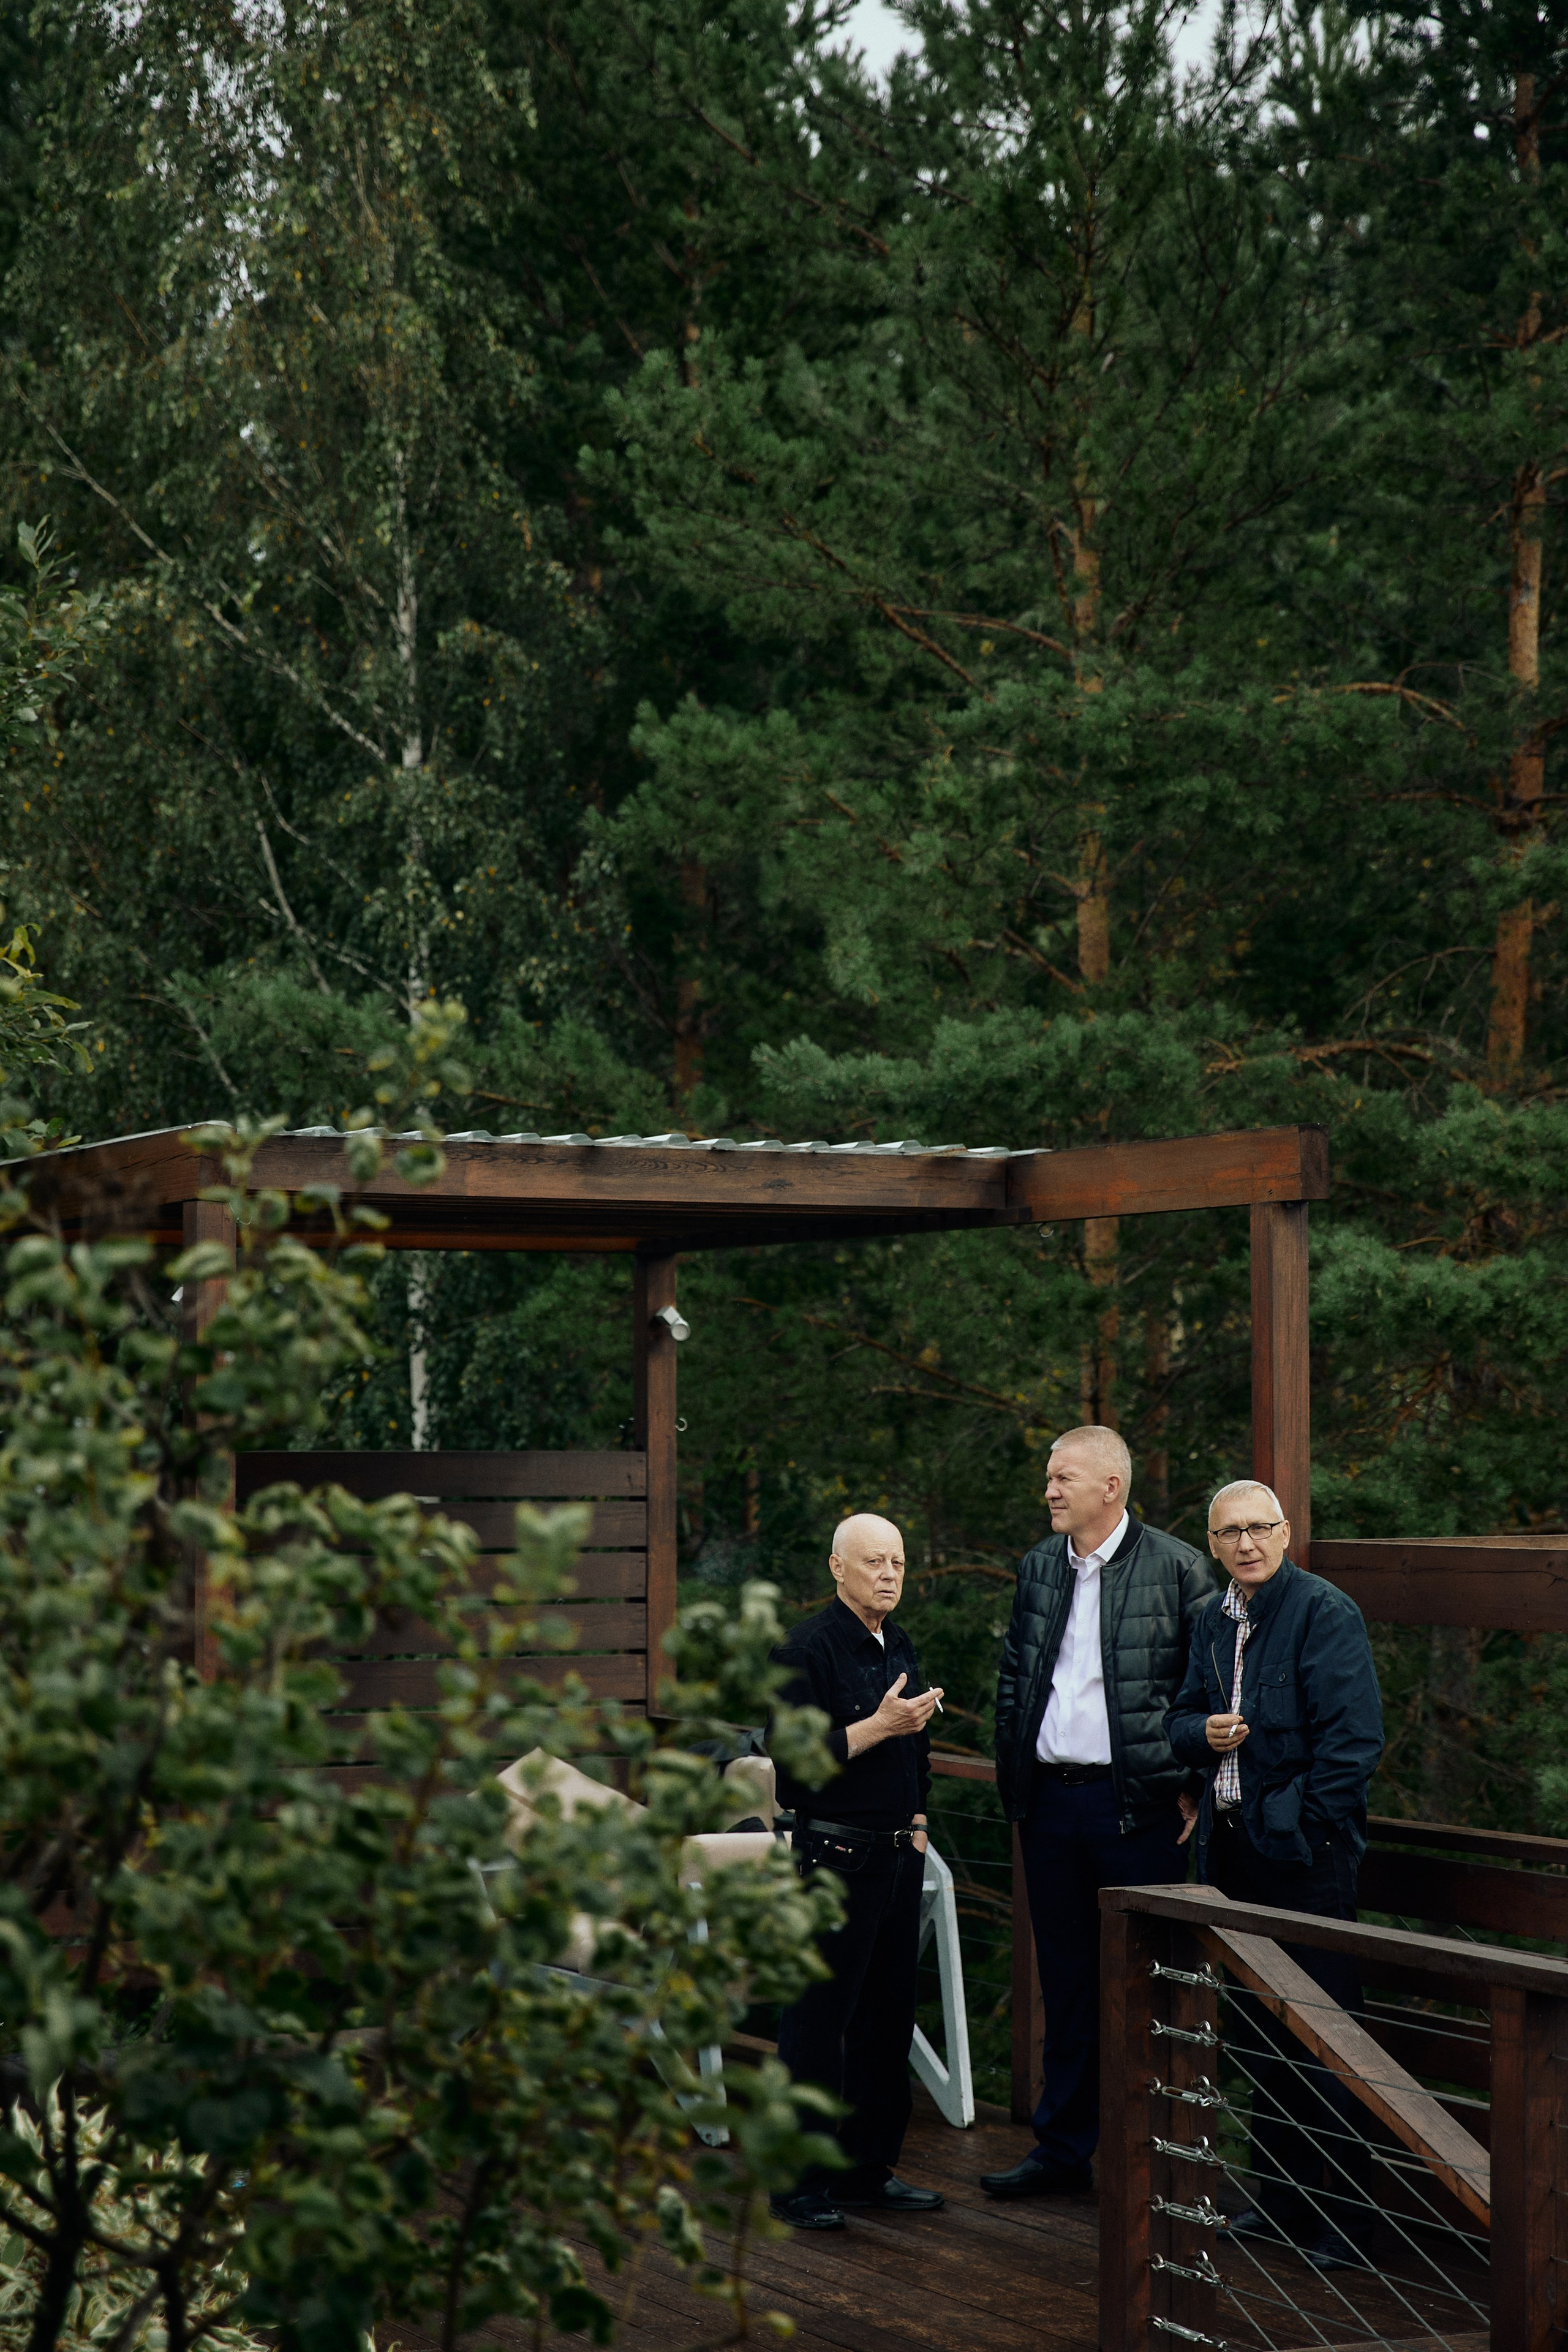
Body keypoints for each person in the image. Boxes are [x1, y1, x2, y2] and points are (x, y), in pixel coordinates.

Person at [983, 1425, 1210, 2199]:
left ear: (1110, 1487)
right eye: (1048, 1478)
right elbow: (1016, 1676)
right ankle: (1061, 2151)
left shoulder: (1179, 1569)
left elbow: (1206, 1690)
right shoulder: (1039, 1567)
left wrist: (1195, 1783)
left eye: (1063, 1477)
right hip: (1050, 1807)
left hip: (1138, 1812)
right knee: (1067, 1983)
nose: (1048, 1490)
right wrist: (1013, 1776)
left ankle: (1153, 2161)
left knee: (1147, 1984)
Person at [1164, 1480, 1384, 2275]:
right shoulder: (1210, 1621)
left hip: (1307, 1860)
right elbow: (1178, 1718)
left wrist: (1303, 1824)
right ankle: (1281, 2198)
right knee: (1259, 2036)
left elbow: (1354, 1745)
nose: (1246, 1544)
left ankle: (1351, 2219)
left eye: (1260, 1528)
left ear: (1286, 1534)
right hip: (1230, 1855)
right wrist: (1204, 1731)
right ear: (1214, 1542)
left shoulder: (1324, 1613)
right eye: (1230, 1533)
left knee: (1327, 2035)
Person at [767, 1512, 946, 2233]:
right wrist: (880, 1726)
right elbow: (793, 1770)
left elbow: (918, 1755)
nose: (889, 1574)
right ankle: (797, 2185)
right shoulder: (804, 1649)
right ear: (837, 1567)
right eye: (874, 1561)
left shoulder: (897, 1640)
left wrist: (922, 1824)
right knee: (816, 2024)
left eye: (898, 1562)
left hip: (897, 1855)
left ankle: (867, 2171)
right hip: (833, 1860)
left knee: (887, 2023)